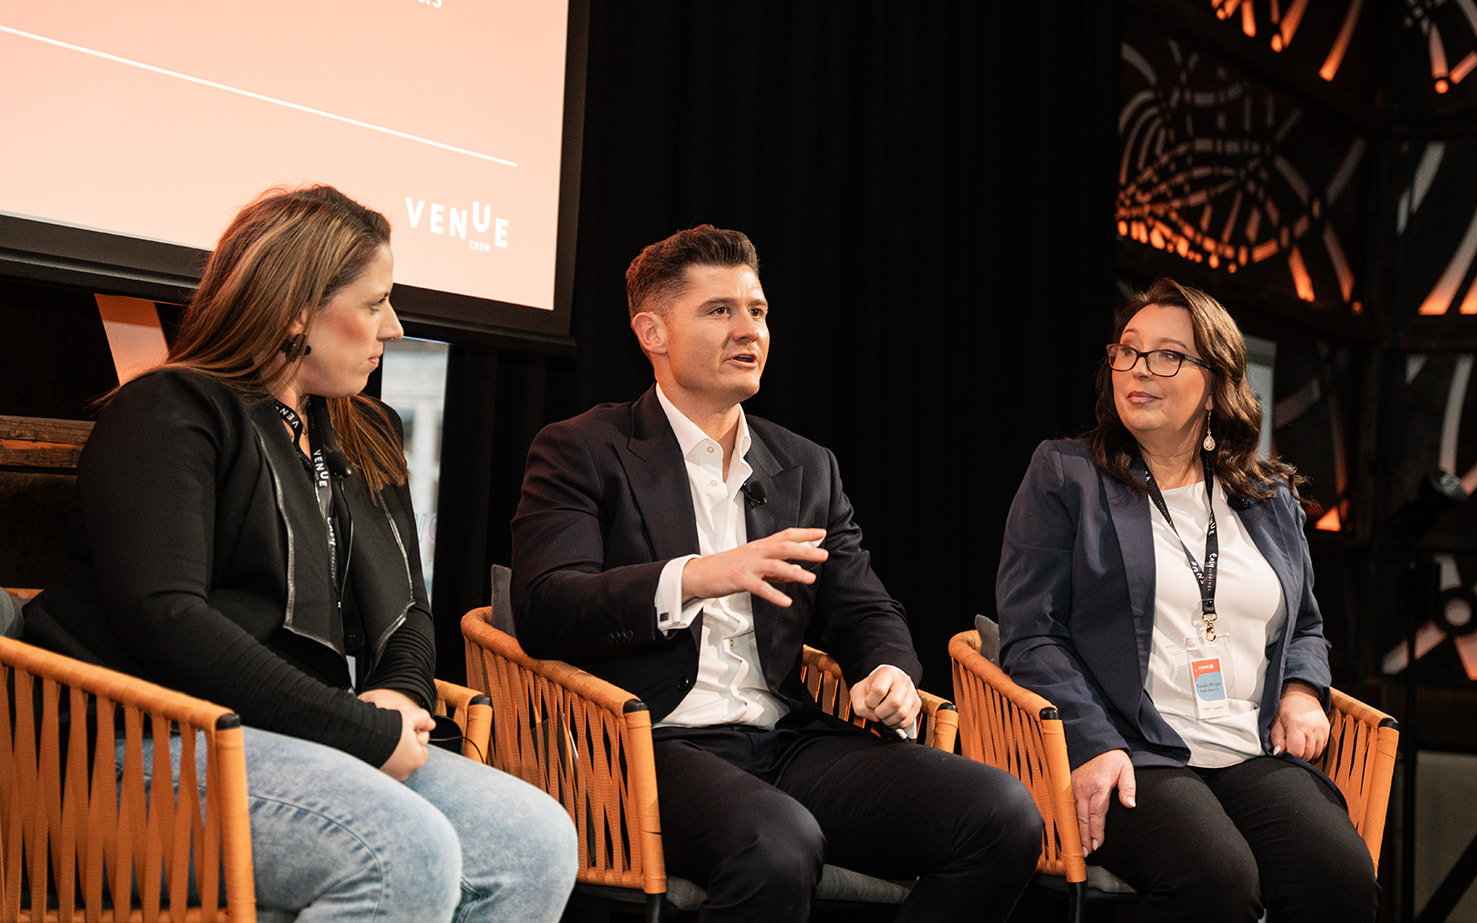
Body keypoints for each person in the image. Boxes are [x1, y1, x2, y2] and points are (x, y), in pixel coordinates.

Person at [25, 185, 577, 922]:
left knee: (536, 839)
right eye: (376, 301)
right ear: (294, 309)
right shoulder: (170, 409)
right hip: (139, 743)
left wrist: (400, 696)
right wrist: (356, 728)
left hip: (297, 733)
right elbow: (167, 617)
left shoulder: (363, 430)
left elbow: (410, 609)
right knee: (402, 850)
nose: (395, 325)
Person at [511, 225, 1042, 922]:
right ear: (653, 331)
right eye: (719, 310)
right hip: (649, 741)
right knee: (777, 842)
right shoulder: (585, 449)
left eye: (757, 310)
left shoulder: (804, 466)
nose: (749, 330)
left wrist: (887, 671)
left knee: (1002, 814)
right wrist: (699, 575)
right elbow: (547, 607)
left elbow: (864, 607)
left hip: (785, 740)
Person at [994, 278, 1377, 922]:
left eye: (1167, 355)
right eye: (1128, 351)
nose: (1138, 370)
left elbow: (1305, 625)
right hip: (1132, 747)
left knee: (1338, 880)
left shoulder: (1267, 497)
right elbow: (1032, 634)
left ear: (1216, 381)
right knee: (1217, 883)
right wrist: (1091, 741)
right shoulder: (1069, 475)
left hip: (1249, 749)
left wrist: (1303, 690)